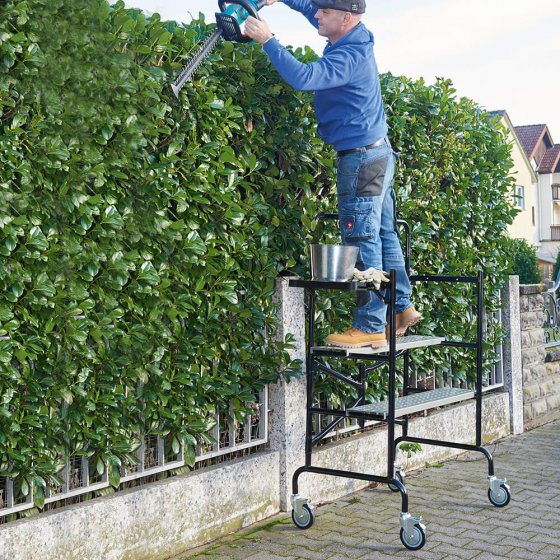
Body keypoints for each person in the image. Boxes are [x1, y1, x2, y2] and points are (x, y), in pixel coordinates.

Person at [244, 0, 421, 348]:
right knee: (385, 234)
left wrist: (268, 40)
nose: (318, 16)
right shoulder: (350, 33)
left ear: (348, 17)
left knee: (361, 237)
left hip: (361, 159)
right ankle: (402, 307)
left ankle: (371, 323)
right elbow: (312, 9)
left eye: (325, 12)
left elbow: (305, 77)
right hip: (377, 153)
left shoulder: (349, 56)